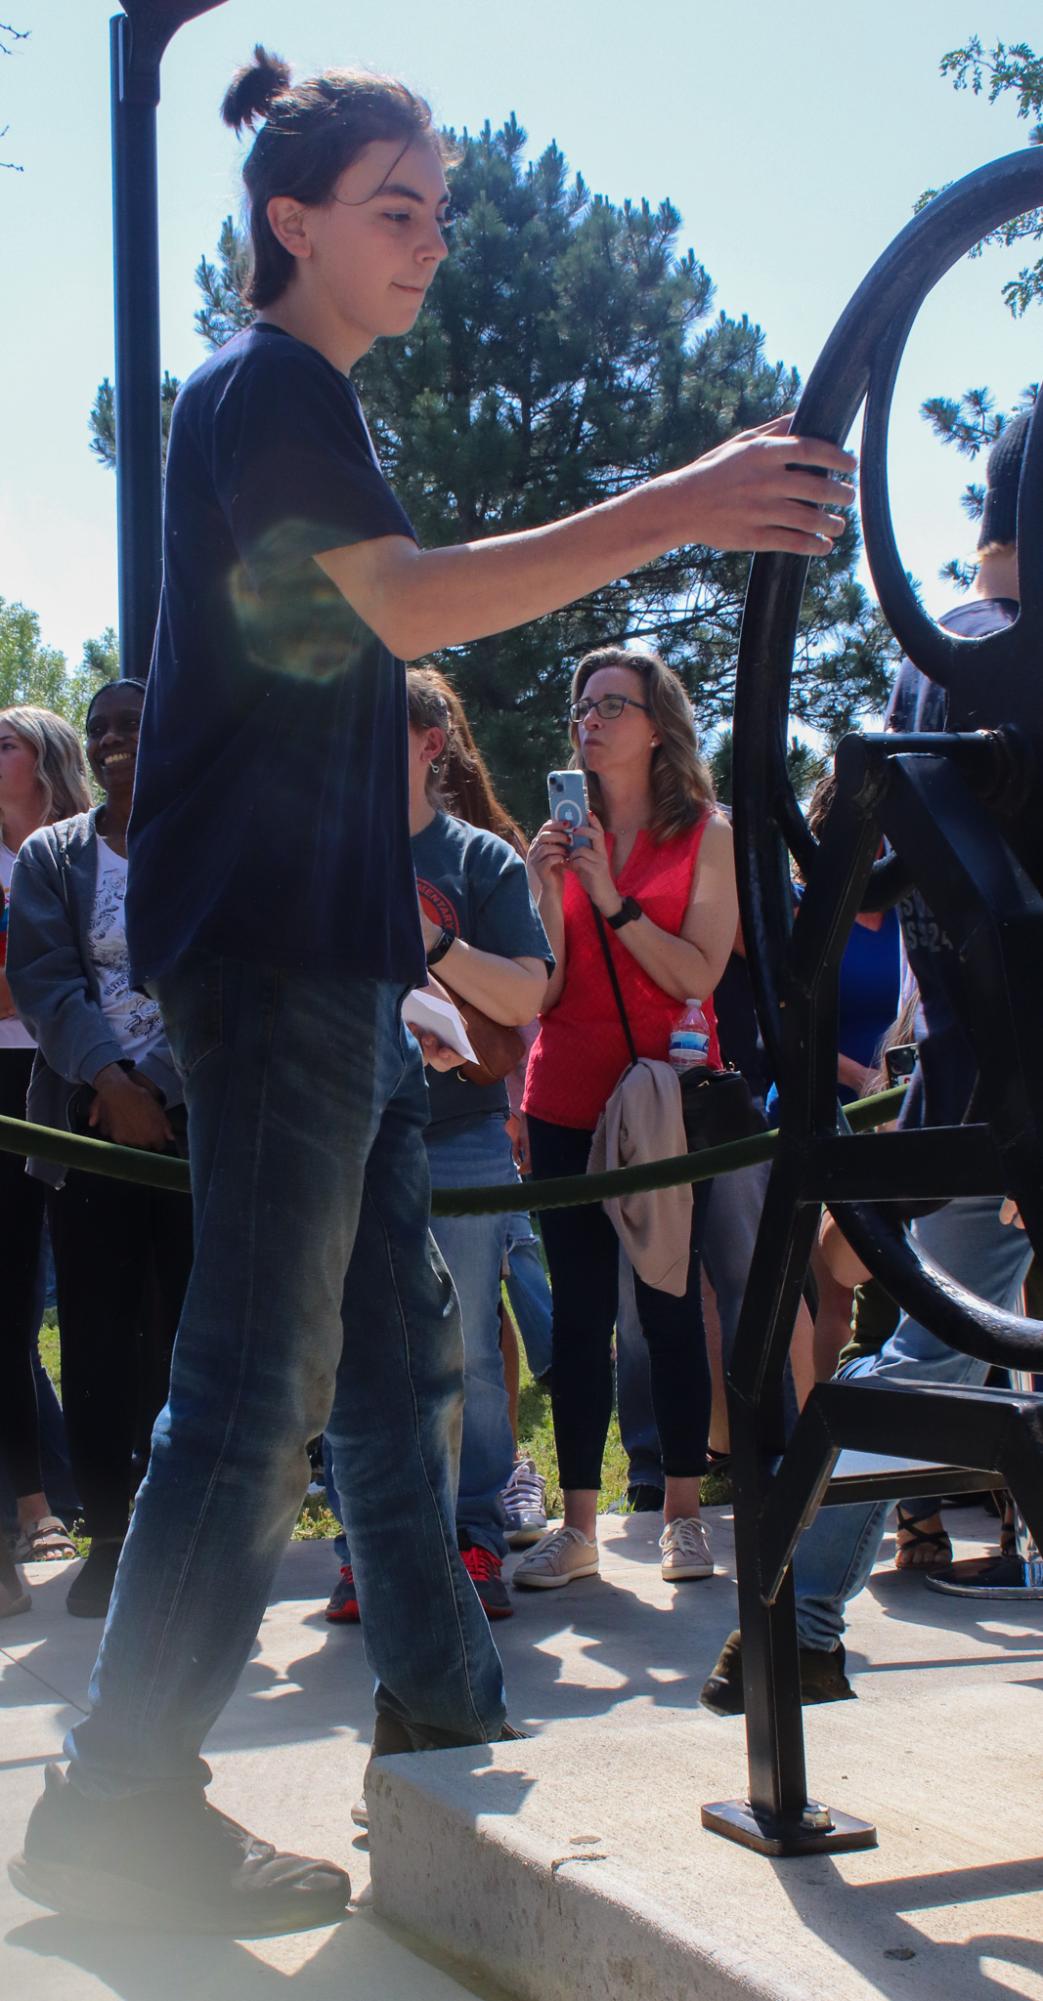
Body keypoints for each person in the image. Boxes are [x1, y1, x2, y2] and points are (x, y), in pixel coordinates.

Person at [8, 48, 853, 1935]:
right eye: (396, 207)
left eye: (443, 211)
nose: (433, 242)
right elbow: (398, 602)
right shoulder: (269, 387)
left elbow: (366, 625)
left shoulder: (300, 407)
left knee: (397, 1359)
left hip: (339, 959)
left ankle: (448, 1719)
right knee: (255, 1383)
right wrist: (678, 503)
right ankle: (112, 1806)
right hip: (284, 962)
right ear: (287, 222)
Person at [700, 410, 1037, 1716]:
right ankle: (793, 1621)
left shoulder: (941, 653)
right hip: (1003, 1090)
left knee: (930, 1357)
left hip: (978, 1080)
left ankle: (795, 1625)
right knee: (932, 1359)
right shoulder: (993, 661)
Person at [324, 665, 550, 1623]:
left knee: (464, 1354)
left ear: (429, 745)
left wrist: (434, 947)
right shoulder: (317, 855)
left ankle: (472, 1537)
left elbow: (526, 998)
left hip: (460, 1138)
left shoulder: (482, 860)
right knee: (348, 1347)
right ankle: (366, 1543)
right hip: (338, 1132)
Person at [516, 645, 738, 1589]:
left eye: (613, 704)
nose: (591, 720)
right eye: (582, 706)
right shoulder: (560, 837)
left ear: (659, 727)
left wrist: (610, 900)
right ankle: (579, 1528)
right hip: (563, 1090)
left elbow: (697, 973)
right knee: (576, 1315)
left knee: (668, 1302)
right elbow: (550, 989)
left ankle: (680, 1514)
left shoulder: (707, 833)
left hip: (661, 1095)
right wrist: (543, 892)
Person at [6, 681, 195, 1619]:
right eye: (103, 728)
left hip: (196, 1126)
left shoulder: (207, 847)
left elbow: (217, 975)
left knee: (184, 1329)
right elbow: (42, 979)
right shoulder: (52, 856)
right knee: (93, 1330)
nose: (118, 739)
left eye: (135, 723)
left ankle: (181, 1528)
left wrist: (159, 1083)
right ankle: (111, 1532)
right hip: (83, 1123)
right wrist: (111, 1083)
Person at [0, 706, 91, 1601]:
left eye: (4, 743)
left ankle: (100, 1500)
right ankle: (33, 1507)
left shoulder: (79, 855)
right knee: (9, 1312)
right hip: (3, 1090)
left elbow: (67, 977)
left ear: (47, 761)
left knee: (106, 1302)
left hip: (77, 1079)